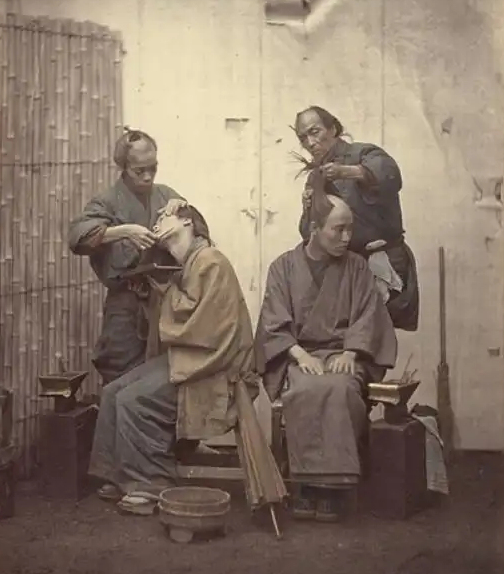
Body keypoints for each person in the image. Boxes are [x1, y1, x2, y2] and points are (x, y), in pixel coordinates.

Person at [88, 204, 259, 515]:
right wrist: (154, 289)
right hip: (193, 359)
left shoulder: (211, 261)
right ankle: (119, 473)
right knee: (113, 391)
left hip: (214, 368)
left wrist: (165, 291)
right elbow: (178, 314)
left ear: (187, 222)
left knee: (133, 399)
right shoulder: (187, 264)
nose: (157, 223)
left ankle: (151, 483)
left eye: (164, 217)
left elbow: (202, 327)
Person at [255, 194, 397, 522]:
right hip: (299, 355)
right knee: (304, 388)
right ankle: (306, 485)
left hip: (343, 355)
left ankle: (332, 489)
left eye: (350, 229)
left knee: (341, 387)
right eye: (338, 229)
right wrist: (300, 355)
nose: (347, 237)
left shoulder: (357, 267)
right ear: (314, 229)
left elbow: (368, 315)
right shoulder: (283, 268)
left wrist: (350, 352)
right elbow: (273, 322)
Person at [68, 127, 191, 385]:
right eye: (139, 170)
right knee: (118, 373)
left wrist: (182, 209)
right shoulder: (107, 201)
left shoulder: (165, 195)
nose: (147, 176)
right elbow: (78, 238)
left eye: (153, 169)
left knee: (162, 375)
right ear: (123, 167)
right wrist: (123, 231)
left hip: (164, 301)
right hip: (125, 304)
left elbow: (196, 230)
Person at [294, 106, 419, 331]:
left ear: (332, 129)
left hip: (382, 263)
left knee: (374, 336)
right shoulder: (315, 177)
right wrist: (308, 208)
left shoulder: (364, 154)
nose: (310, 143)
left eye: (315, 132)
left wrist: (348, 172)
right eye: (303, 138)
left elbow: (390, 175)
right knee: (344, 335)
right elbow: (310, 234)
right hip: (343, 269)